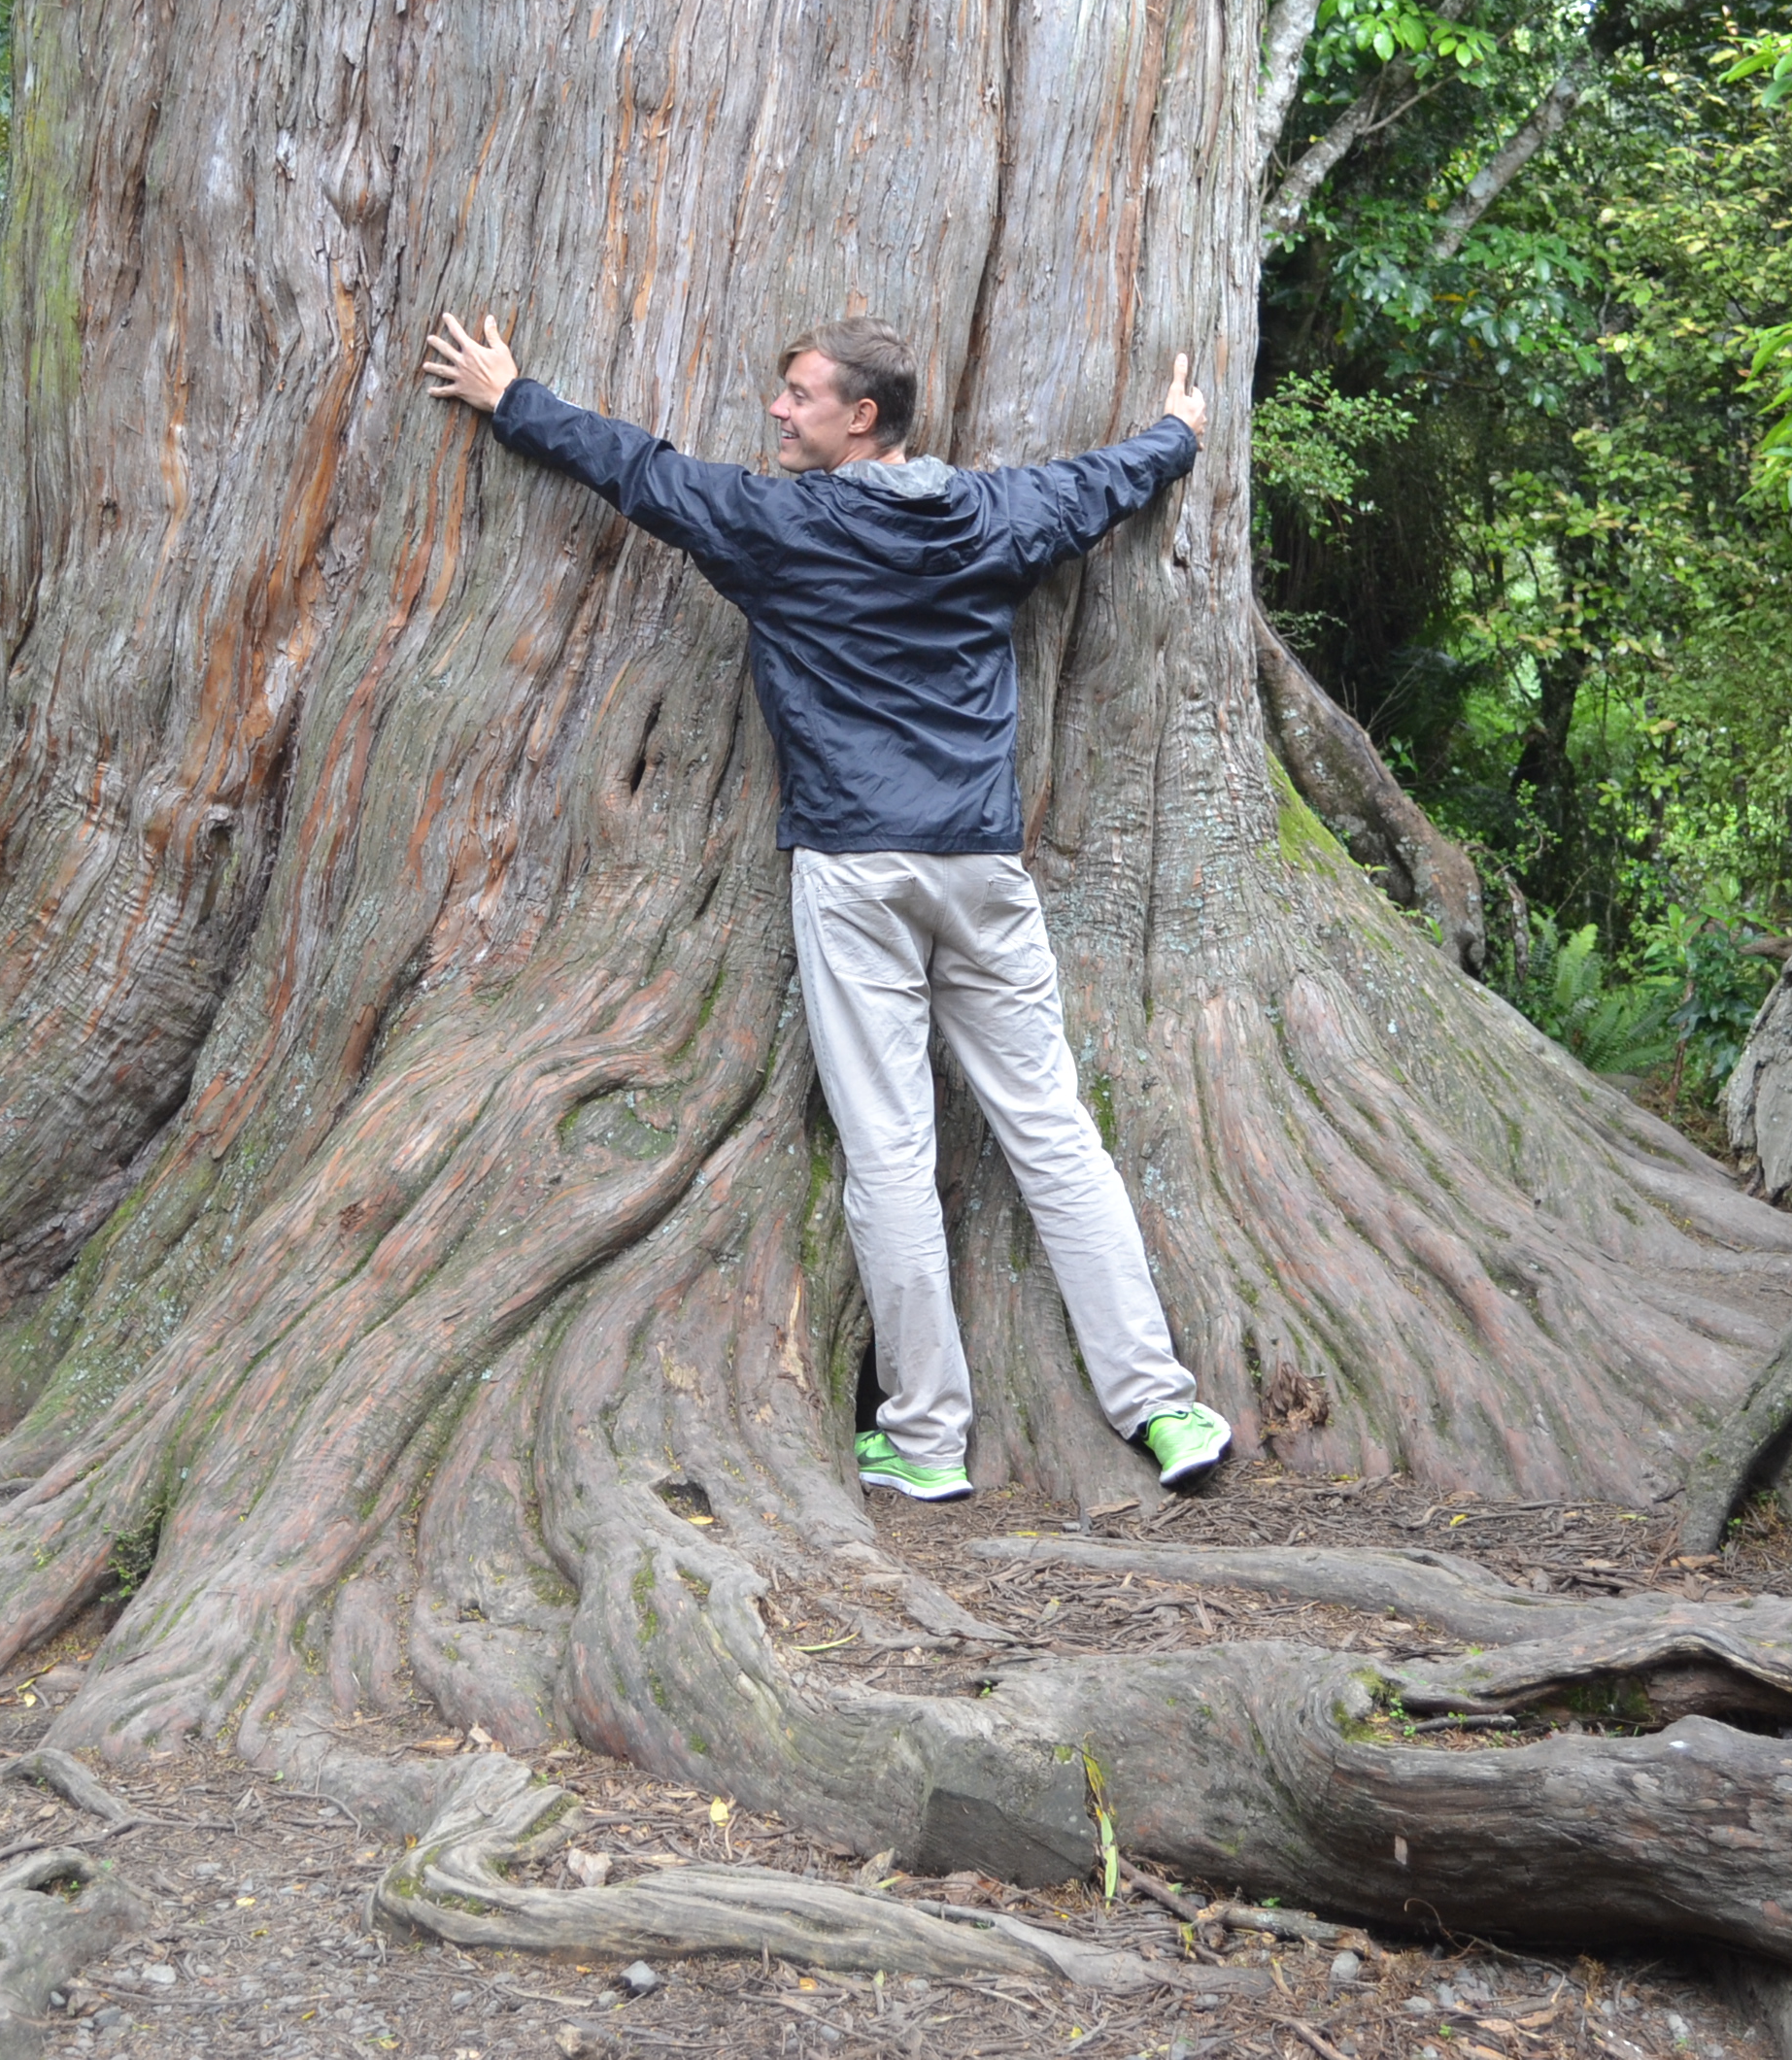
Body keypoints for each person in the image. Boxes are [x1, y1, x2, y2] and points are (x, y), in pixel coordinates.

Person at [422, 310, 1232, 1499]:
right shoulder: (991, 515)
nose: (776, 409)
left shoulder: (780, 526)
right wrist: (1177, 433)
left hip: (856, 868)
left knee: (891, 1152)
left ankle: (927, 1442)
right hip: (978, 866)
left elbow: (642, 473)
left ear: (861, 417)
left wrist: (513, 400)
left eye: (797, 394)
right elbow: (1097, 487)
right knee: (1053, 1133)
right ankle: (1162, 1409)